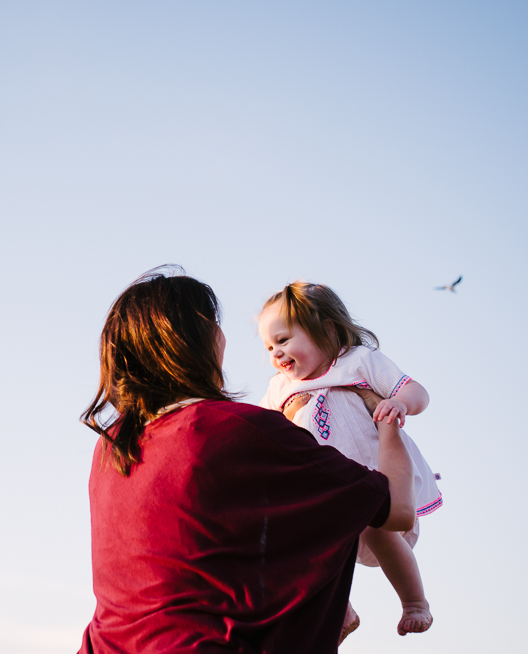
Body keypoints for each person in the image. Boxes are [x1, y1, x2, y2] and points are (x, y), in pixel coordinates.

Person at [77, 266, 417, 654]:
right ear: (203, 338)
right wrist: (385, 417)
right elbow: (398, 509)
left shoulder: (111, 448)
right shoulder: (236, 430)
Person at [257, 281, 442, 639]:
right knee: (305, 545)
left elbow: (415, 391)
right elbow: (263, 431)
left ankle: (414, 602)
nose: (275, 353)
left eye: (283, 340)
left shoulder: (358, 362)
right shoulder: (279, 388)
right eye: (268, 346)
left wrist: (401, 403)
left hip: (374, 478)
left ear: (326, 330)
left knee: (378, 526)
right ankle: (341, 612)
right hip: (323, 491)